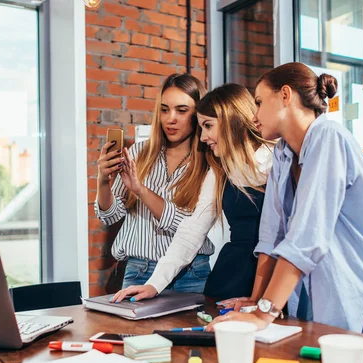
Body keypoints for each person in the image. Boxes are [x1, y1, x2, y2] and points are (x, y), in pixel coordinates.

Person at [207, 62, 363, 347]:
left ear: (285, 96)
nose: (254, 115)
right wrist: (255, 303)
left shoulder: (329, 137)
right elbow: (270, 238)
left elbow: (305, 238)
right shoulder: (282, 155)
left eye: (260, 102)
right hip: (347, 311)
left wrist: (265, 313)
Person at [110, 83, 277, 303]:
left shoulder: (277, 158)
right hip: (234, 273)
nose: (203, 137)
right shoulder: (220, 169)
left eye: (208, 126)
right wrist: (154, 284)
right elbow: (191, 231)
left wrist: (258, 299)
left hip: (273, 273)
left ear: (231, 120)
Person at [96, 74, 213, 300]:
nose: (171, 119)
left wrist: (140, 190)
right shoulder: (139, 153)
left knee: (188, 336)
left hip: (191, 275)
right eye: (164, 109)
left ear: (198, 113)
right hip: (138, 271)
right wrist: (102, 179)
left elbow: (188, 228)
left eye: (181, 110)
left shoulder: (209, 163)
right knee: (135, 336)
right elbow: (110, 216)